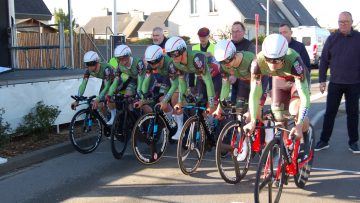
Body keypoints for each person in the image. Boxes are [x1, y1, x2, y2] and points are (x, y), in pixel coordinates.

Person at [243, 34, 311, 160]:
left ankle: (304, 140)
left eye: (277, 60)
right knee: (279, 118)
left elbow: (305, 97)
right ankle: (284, 149)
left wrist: (299, 125)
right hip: (279, 81)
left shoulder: (294, 61)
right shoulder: (257, 62)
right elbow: (254, 93)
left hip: (296, 80)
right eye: (269, 60)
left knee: (294, 110)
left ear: (284, 56)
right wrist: (253, 121)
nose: (272, 65)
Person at [315, 11, 360, 153]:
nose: (343, 24)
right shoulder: (332, 39)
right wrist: (322, 80)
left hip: (354, 83)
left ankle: (353, 142)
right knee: (330, 113)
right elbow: (324, 61)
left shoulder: (358, 38)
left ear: (351, 22)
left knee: (353, 114)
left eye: (346, 22)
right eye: (340, 22)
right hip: (335, 83)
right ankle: (324, 141)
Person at [165, 36, 217, 141]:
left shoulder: (196, 58)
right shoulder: (176, 62)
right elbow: (182, 83)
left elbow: (209, 82)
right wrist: (180, 102)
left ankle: (213, 125)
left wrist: (211, 104)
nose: (173, 57)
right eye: (170, 54)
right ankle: (202, 128)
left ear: (183, 51)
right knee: (198, 103)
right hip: (200, 75)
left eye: (175, 53)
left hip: (214, 76)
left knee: (210, 106)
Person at [134, 45, 180, 139]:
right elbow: (146, 81)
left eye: (155, 62)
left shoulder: (170, 64)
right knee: (155, 96)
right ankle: (163, 121)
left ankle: (174, 122)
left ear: (161, 58)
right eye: (150, 63)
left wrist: (165, 100)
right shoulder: (151, 64)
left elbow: (174, 84)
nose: (153, 65)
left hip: (176, 78)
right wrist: (142, 98)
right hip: (163, 77)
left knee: (165, 98)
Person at [106, 45, 146, 124]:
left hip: (145, 80)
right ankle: (132, 116)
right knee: (127, 97)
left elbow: (141, 80)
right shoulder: (119, 66)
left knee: (143, 101)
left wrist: (139, 94)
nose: (121, 61)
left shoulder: (138, 62)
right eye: (119, 59)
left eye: (123, 58)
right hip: (134, 79)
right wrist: (109, 95)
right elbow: (115, 82)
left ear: (129, 56)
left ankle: (146, 119)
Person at [71, 51, 114, 122]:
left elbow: (107, 87)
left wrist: (98, 99)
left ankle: (114, 117)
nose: (89, 67)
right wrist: (77, 100)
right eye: (87, 64)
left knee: (108, 98)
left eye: (91, 64)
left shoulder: (106, 69)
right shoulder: (88, 70)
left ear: (97, 63)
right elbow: (83, 84)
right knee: (100, 104)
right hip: (106, 81)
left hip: (116, 82)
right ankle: (107, 122)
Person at [191, 27, 221, 100]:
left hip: (214, 79)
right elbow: (191, 67)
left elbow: (220, 63)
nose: (202, 39)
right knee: (200, 101)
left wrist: (211, 55)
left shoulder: (216, 47)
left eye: (204, 36)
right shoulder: (194, 48)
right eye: (200, 37)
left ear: (208, 36)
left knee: (213, 101)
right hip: (200, 80)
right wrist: (191, 84)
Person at [230, 21, 256, 104]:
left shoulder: (249, 45)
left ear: (244, 32)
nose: (235, 34)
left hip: (246, 83)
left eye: (237, 31)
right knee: (232, 107)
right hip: (232, 83)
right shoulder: (228, 45)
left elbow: (252, 65)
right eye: (233, 31)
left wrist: (235, 75)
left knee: (242, 107)